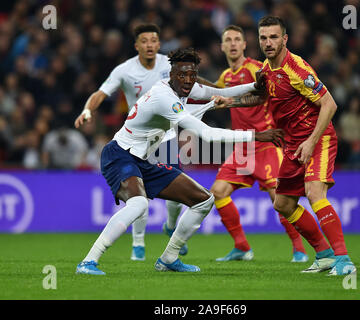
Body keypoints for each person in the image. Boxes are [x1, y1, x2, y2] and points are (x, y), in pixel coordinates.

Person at [75, 48, 285, 275]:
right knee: (139, 204)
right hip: (119, 154)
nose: (187, 80)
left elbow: (220, 91)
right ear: (171, 74)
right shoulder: (163, 97)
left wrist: (255, 86)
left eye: (192, 75)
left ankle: (169, 258)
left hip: (143, 160)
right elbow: (208, 135)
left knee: (204, 200)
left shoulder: (186, 88)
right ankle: (88, 262)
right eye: (182, 75)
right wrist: (255, 135)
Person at [213, 16, 356, 276]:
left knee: (314, 194)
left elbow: (330, 104)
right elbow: (261, 96)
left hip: (317, 139)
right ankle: (323, 255)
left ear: (285, 39)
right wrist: (229, 103)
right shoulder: (266, 70)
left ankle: (344, 260)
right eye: (264, 37)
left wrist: (312, 141)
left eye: (274, 37)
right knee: (283, 204)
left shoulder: (297, 68)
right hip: (292, 143)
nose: (268, 42)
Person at [75, 23, 210, 261]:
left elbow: (198, 83)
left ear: (159, 44)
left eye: (154, 40)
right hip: (137, 139)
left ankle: (169, 226)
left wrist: (224, 92)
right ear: (136, 45)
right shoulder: (124, 70)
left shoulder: (168, 64)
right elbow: (101, 93)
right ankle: (138, 243)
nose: (149, 45)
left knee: (177, 186)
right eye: (144, 41)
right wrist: (87, 110)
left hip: (165, 137)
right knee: (139, 196)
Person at [211, 25, 308, 262]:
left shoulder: (258, 69)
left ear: (245, 45)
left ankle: (300, 250)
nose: (233, 43)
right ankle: (242, 247)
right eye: (228, 40)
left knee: (280, 201)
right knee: (218, 192)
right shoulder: (226, 76)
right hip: (242, 148)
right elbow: (214, 92)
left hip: (266, 144)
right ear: (222, 47)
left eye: (237, 39)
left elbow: (261, 96)